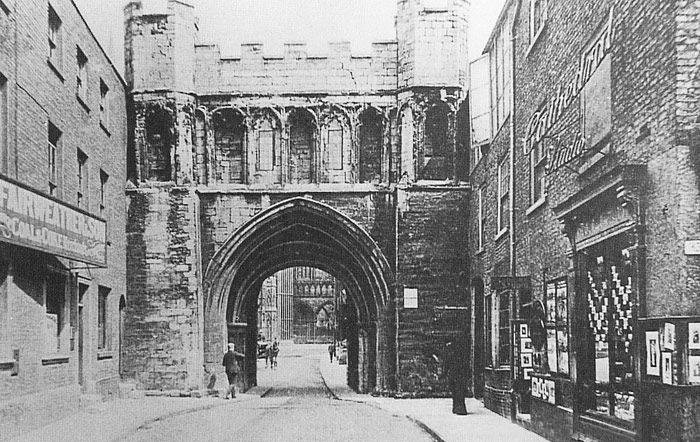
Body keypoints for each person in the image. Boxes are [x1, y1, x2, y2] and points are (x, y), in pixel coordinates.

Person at [444, 340, 468, 415]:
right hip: (456, 375)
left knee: (457, 392)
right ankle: (457, 408)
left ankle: (459, 409)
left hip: (457, 375)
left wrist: (444, 374)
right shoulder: (457, 355)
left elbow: (446, 366)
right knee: (457, 392)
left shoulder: (453, 355)